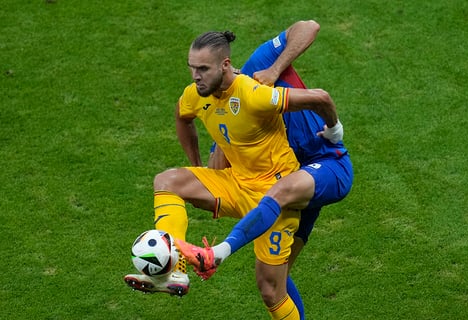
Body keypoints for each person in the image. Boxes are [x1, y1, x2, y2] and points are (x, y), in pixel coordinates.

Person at [124, 21, 343, 320]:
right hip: (238, 184)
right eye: (192, 68)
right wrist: (199, 164)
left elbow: (320, 96)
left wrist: (334, 131)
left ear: (225, 65)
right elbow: (182, 115)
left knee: (270, 290)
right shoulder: (196, 94)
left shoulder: (254, 93)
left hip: (276, 196)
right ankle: (174, 268)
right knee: (168, 180)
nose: (195, 76)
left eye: (202, 69)